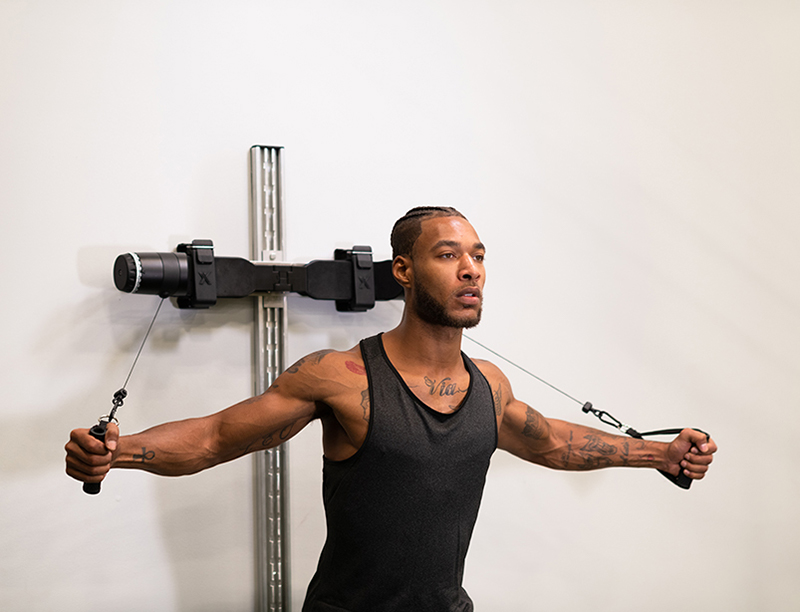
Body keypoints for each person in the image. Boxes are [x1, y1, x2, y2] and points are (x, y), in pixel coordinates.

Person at [65, 206, 717, 611]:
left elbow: (551, 443)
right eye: (448, 255)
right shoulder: (341, 378)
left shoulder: (490, 384)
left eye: (478, 256)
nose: (471, 270)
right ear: (402, 271)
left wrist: (661, 452)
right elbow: (214, 437)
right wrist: (117, 452)